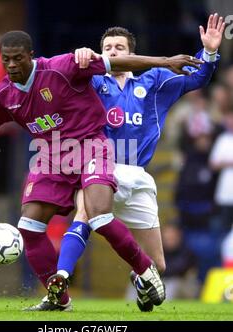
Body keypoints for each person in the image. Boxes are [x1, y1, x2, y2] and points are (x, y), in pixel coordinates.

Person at [0, 30, 202, 311]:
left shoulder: (61, 67)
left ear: (31, 56)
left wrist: (164, 62)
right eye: (7, 60)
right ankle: (59, 299)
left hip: (90, 144)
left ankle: (145, 269)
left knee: (99, 214)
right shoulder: (3, 94)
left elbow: (119, 64)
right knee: (29, 225)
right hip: (51, 155)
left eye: (18, 58)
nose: (12, 65)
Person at [52, 13, 224, 311]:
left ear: (133, 54)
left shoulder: (154, 80)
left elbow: (197, 77)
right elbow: (57, 76)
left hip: (138, 175)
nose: (112, 52)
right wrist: (76, 56)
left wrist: (208, 51)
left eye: (119, 47)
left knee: (158, 264)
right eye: (106, 48)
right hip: (99, 166)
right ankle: (61, 276)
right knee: (83, 213)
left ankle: (141, 283)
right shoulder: (90, 81)